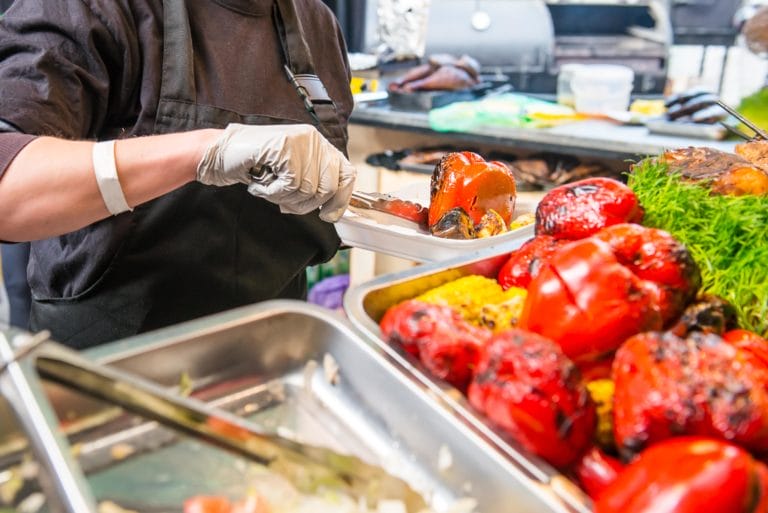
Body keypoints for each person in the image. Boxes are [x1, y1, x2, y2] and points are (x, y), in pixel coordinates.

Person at [0, 0, 356, 349]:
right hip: (109, 372)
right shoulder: (93, 8)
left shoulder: (318, 24)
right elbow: (8, 192)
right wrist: (204, 152)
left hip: (273, 364)